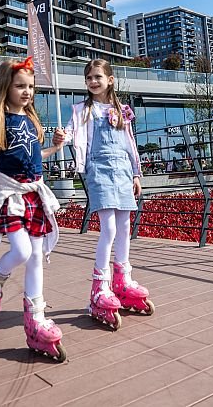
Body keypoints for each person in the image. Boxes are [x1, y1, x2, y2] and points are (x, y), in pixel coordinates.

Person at [0, 56, 65, 361]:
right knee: (22, 252)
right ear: (6, 87)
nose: (27, 91)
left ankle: (36, 320)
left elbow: (35, 155)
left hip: (33, 194)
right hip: (12, 196)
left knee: (37, 256)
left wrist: (56, 145)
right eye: (20, 86)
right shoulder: (0, 120)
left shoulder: (32, 120)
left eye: (31, 86)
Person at [53, 58, 155, 331]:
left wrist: (136, 173)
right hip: (99, 170)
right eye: (89, 78)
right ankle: (100, 287)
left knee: (124, 226)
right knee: (108, 228)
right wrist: (62, 136)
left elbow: (129, 143)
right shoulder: (83, 109)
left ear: (110, 79)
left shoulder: (122, 111)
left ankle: (123, 281)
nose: (93, 81)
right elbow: (75, 133)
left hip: (122, 171)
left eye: (98, 76)